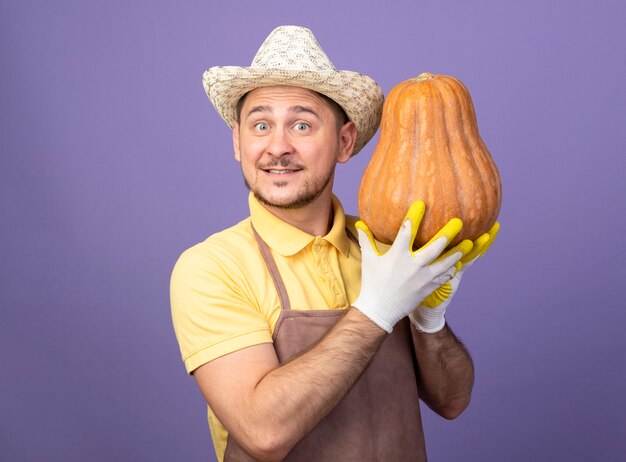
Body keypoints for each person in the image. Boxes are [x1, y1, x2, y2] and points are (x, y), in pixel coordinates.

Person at [171, 25, 499, 462]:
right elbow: (263, 431)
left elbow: (453, 401)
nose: (278, 147)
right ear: (238, 141)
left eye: (302, 125)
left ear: (344, 142)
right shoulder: (212, 268)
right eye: (261, 124)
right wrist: (377, 310)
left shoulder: (388, 247)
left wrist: (429, 320)